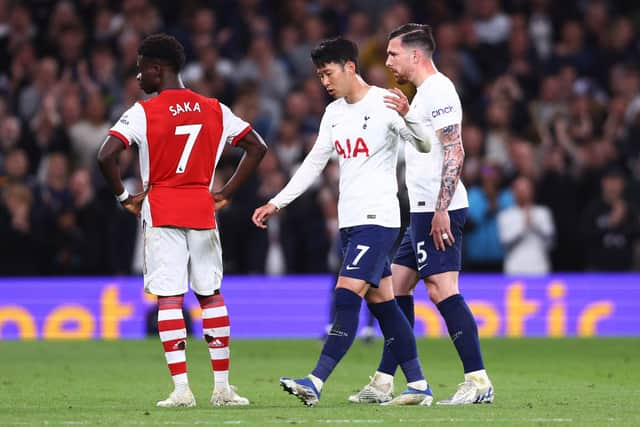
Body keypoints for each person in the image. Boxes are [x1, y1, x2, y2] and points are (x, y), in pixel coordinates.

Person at [252, 37, 433, 407]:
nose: (324, 81)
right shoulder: (334, 113)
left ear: (350, 66)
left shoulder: (386, 104)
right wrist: (277, 201)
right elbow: (314, 163)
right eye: (319, 75)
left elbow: (425, 144)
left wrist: (408, 114)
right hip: (350, 223)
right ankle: (418, 384)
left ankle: (316, 380)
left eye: (328, 72)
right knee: (385, 306)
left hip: (378, 220)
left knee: (345, 296)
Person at [97, 34, 267, 408]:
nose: (138, 77)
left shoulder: (143, 111)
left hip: (161, 208)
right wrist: (226, 192)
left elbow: (105, 155)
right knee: (211, 294)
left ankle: (181, 391)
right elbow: (257, 147)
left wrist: (125, 198)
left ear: (158, 69)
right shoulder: (214, 108)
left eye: (141, 69)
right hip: (202, 209)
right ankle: (222, 388)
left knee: (170, 297)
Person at [349, 24, 495, 405]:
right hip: (421, 212)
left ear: (415, 55)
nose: (387, 61)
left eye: (393, 54)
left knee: (442, 290)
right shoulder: (421, 95)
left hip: (438, 210)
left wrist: (442, 208)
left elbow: (455, 150)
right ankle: (384, 381)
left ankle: (478, 382)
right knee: (395, 291)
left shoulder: (440, 90)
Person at [498, 176, 555, 275]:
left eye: (525, 190)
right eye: (519, 190)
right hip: (514, 269)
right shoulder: (505, 215)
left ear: (532, 191)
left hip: (539, 268)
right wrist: (523, 227)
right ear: (513, 192)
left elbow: (551, 242)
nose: (522, 193)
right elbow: (505, 242)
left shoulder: (543, 212)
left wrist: (535, 225)